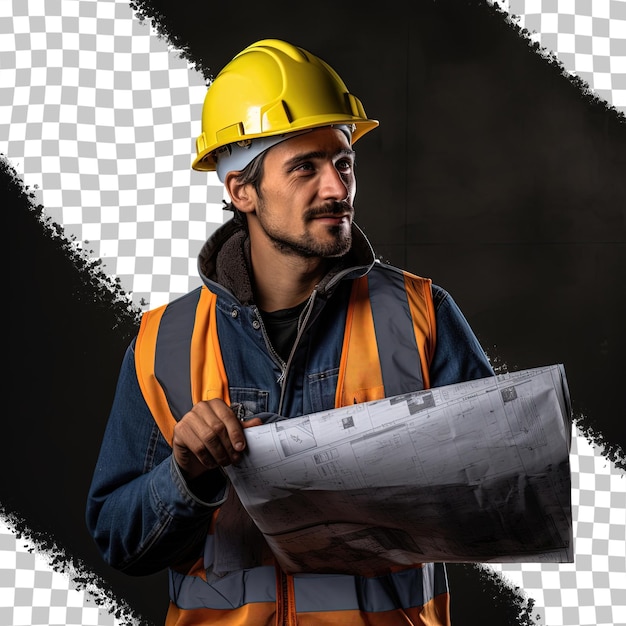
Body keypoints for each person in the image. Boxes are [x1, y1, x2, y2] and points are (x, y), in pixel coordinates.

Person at [86, 38, 494, 626]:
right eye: (305, 166)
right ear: (240, 190)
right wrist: (186, 477)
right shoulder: (165, 343)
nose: (337, 187)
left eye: (344, 161)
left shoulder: (419, 316)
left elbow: (499, 502)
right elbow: (119, 542)